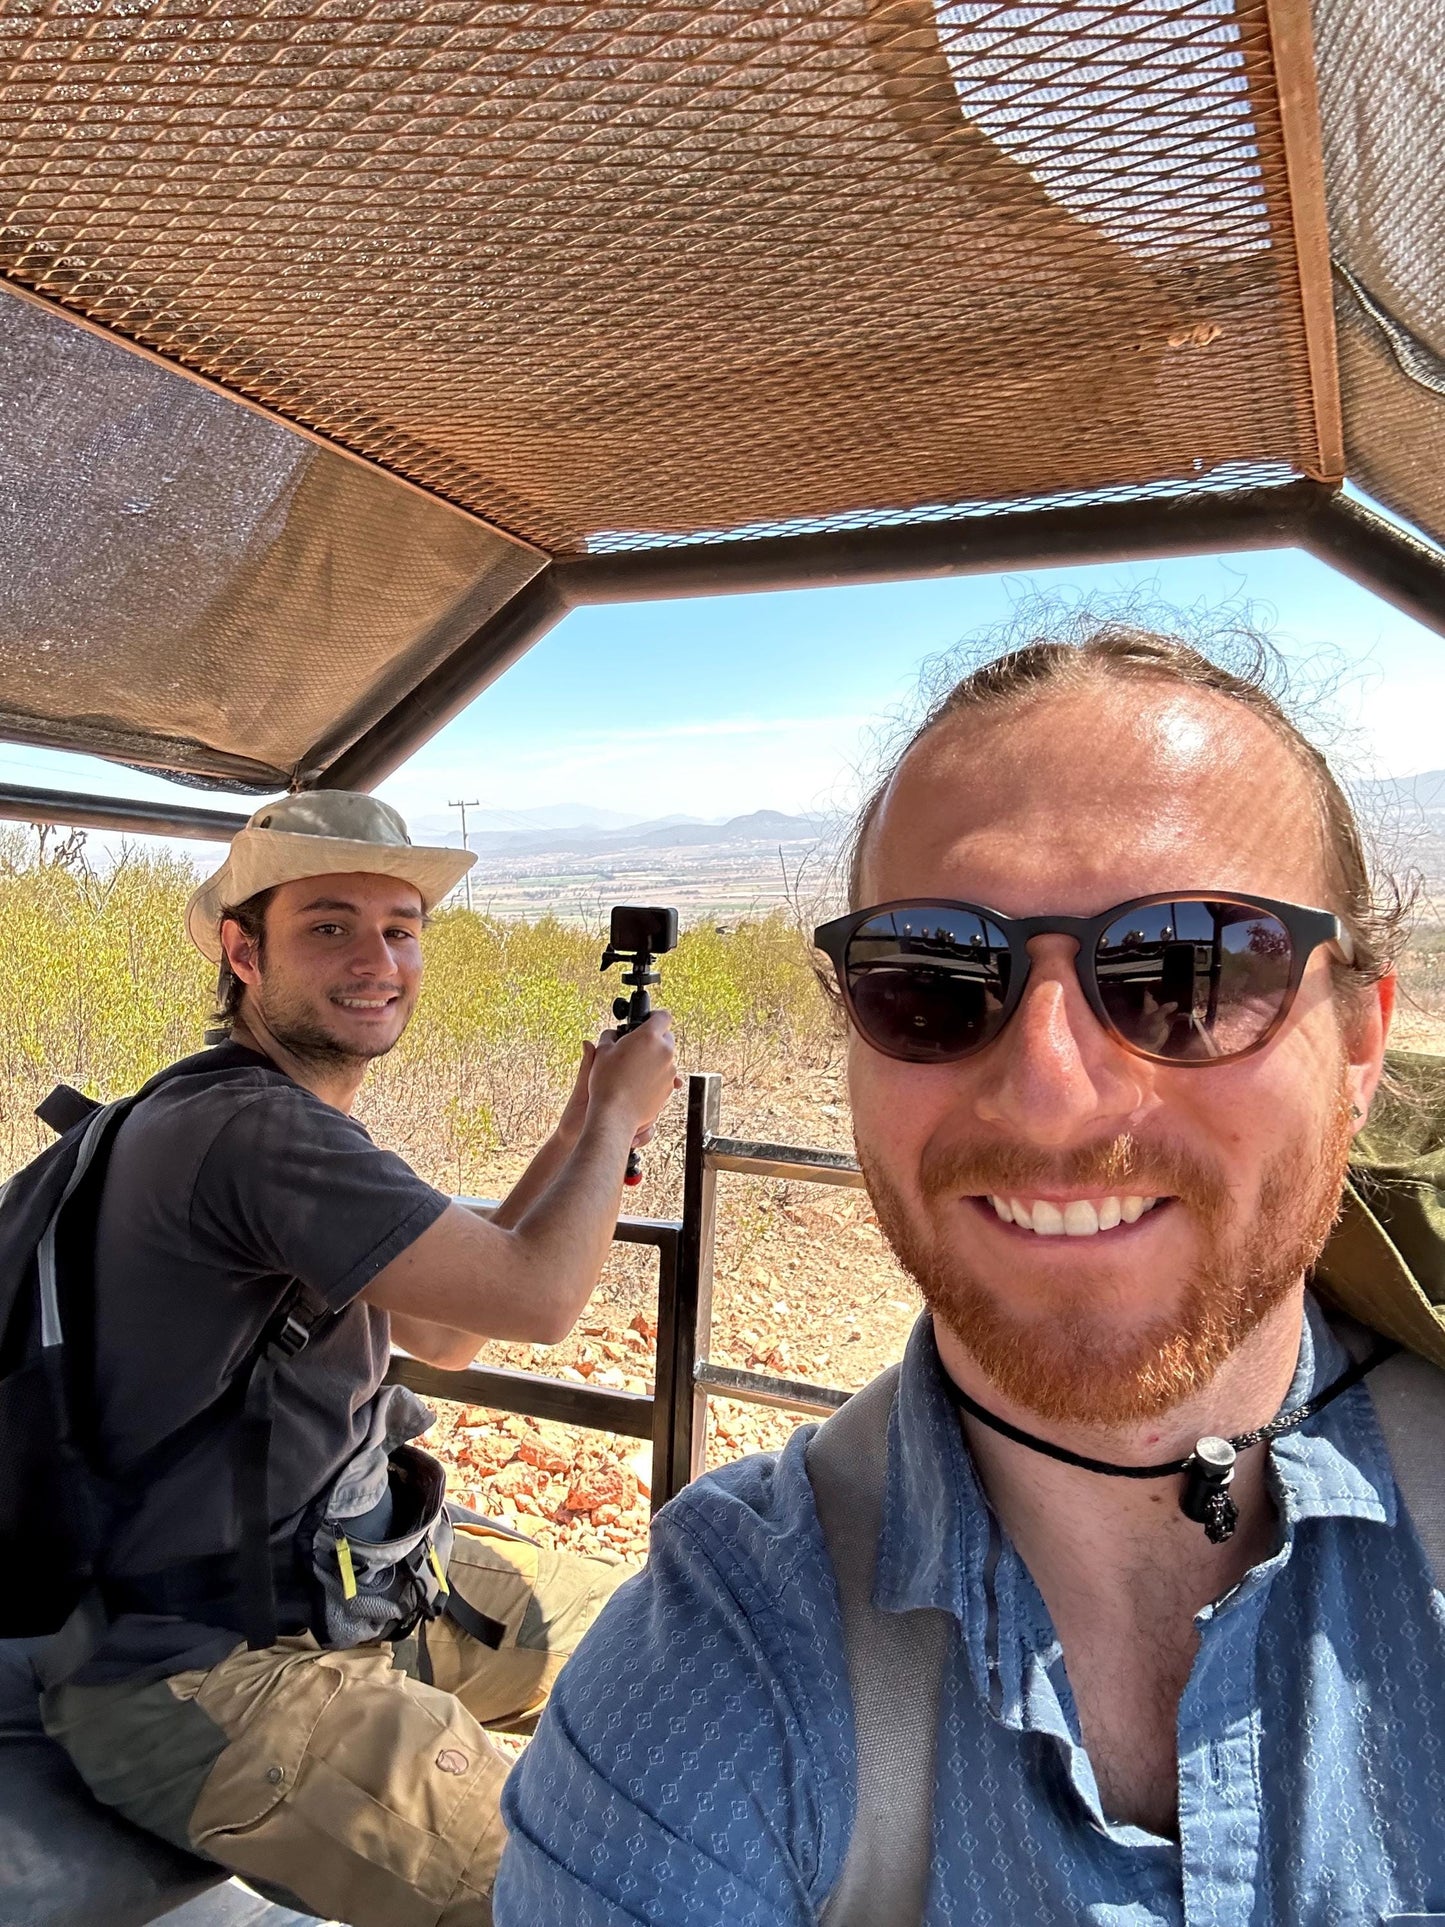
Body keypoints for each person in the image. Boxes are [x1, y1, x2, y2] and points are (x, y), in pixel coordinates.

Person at [496, 627, 1445, 1925]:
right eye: (933, 978)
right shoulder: (716, 1675)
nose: (1049, 1086)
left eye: (1190, 969)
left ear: (1359, 1039)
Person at [35, 790, 679, 1927]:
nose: (377, 957)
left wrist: (584, 1123)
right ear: (243, 951)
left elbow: (448, 1328)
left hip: (342, 1600)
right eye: (328, 925)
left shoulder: (259, 1114)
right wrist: (621, 1122)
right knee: (584, 1897)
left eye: (400, 926)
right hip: (212, 1678)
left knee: (680, 1640)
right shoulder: (255, 1133)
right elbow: (537, 1299)